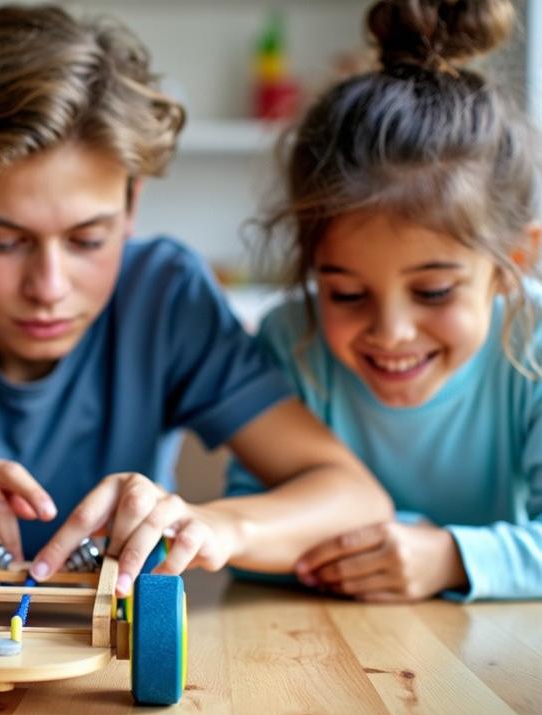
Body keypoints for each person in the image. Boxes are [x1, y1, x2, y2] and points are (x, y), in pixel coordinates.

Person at [0, 3, 391, 598]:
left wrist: (214, 527)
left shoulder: (164, 294)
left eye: (87, 239)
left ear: (133, 204)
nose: (49, 287)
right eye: (4, 242)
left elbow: (353, 496)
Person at [227, 0, 542, 601]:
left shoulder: (534, 339)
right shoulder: (290, 339)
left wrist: (450, 558)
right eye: (344, 293)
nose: (392, 332)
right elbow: (249, 534)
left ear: (513, 263)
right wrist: (373, 552)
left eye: (433, 291)